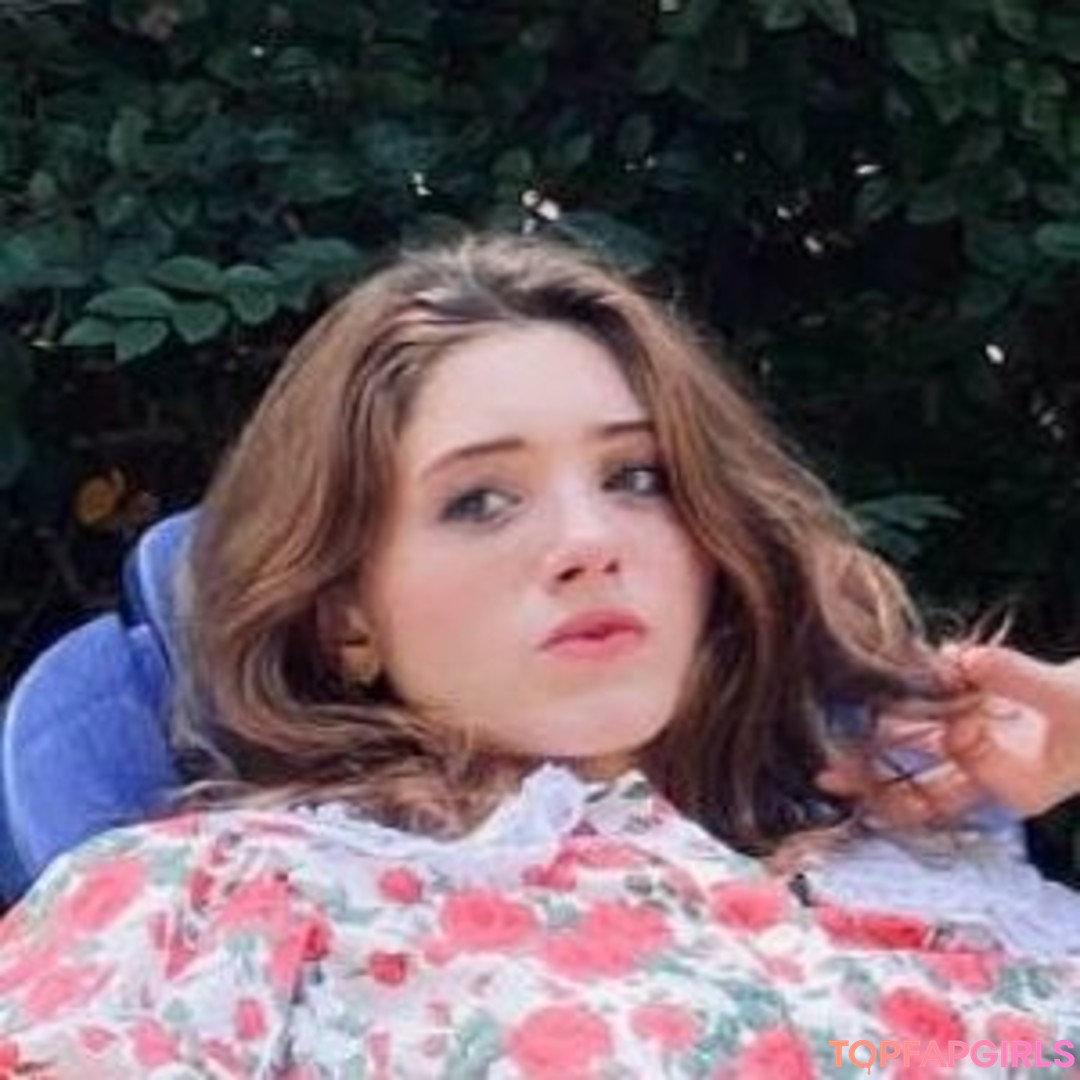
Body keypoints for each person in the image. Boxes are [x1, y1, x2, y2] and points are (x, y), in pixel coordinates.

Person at [0, 234, 1076, 1078]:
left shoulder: (926, 881)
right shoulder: (215, 901)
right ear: (345, 616)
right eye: (480, 501)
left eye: (638, 478)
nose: (588, 542)